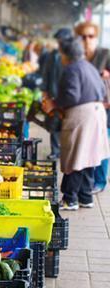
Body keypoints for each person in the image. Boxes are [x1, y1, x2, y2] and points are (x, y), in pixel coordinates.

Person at [42, 37, 110, 210]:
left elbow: (72, 96)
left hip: (82, 116)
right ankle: (85, 197)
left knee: (75, 156)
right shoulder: (89, 67)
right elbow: (102, 91)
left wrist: (54, 104)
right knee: (89, 156)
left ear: (65, 55)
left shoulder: (71, 69)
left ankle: (70, 199)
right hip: (97, 113)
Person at [75, 21, 110, 194]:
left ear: (96, 37)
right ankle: (85, 184)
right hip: (82, 110)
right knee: (86, 146)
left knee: (101, 146)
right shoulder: (77, 57)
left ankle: (100, 181)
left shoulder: (105, 54)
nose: (87, 40)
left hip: (104, 109)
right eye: (83, 36)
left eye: (91, 36)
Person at [41, 28, 73, 160]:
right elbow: (46, 73)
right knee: (54, 123)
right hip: (53, 94)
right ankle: (55, 150)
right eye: (58, 41)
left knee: (67, 124)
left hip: (67, 96)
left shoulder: (72, 56)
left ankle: (66, 151)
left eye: (61, 41)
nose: (59, 43)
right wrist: (45, 92)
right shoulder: (52, 55)